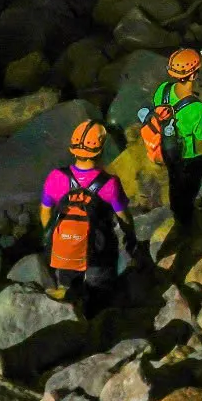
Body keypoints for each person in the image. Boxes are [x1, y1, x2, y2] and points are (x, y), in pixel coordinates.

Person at [42, 118, 132, 307]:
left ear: (73, 149)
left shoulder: (55, 177)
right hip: (97, 254)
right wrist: (130, 239)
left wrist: (61, 236)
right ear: (100, 151)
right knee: (99, 301)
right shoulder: (110, 183)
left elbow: (46, 216)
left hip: (66, 251)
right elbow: (124, 218)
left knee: (70, 298)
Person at [143, 48, 202, 241]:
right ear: (193, 74)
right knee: (188, 192)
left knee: (175, 183)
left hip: (167, 150)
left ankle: (178, 213)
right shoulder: (196, 108)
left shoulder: (163, 90)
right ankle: (187, 227)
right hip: (189, 158)